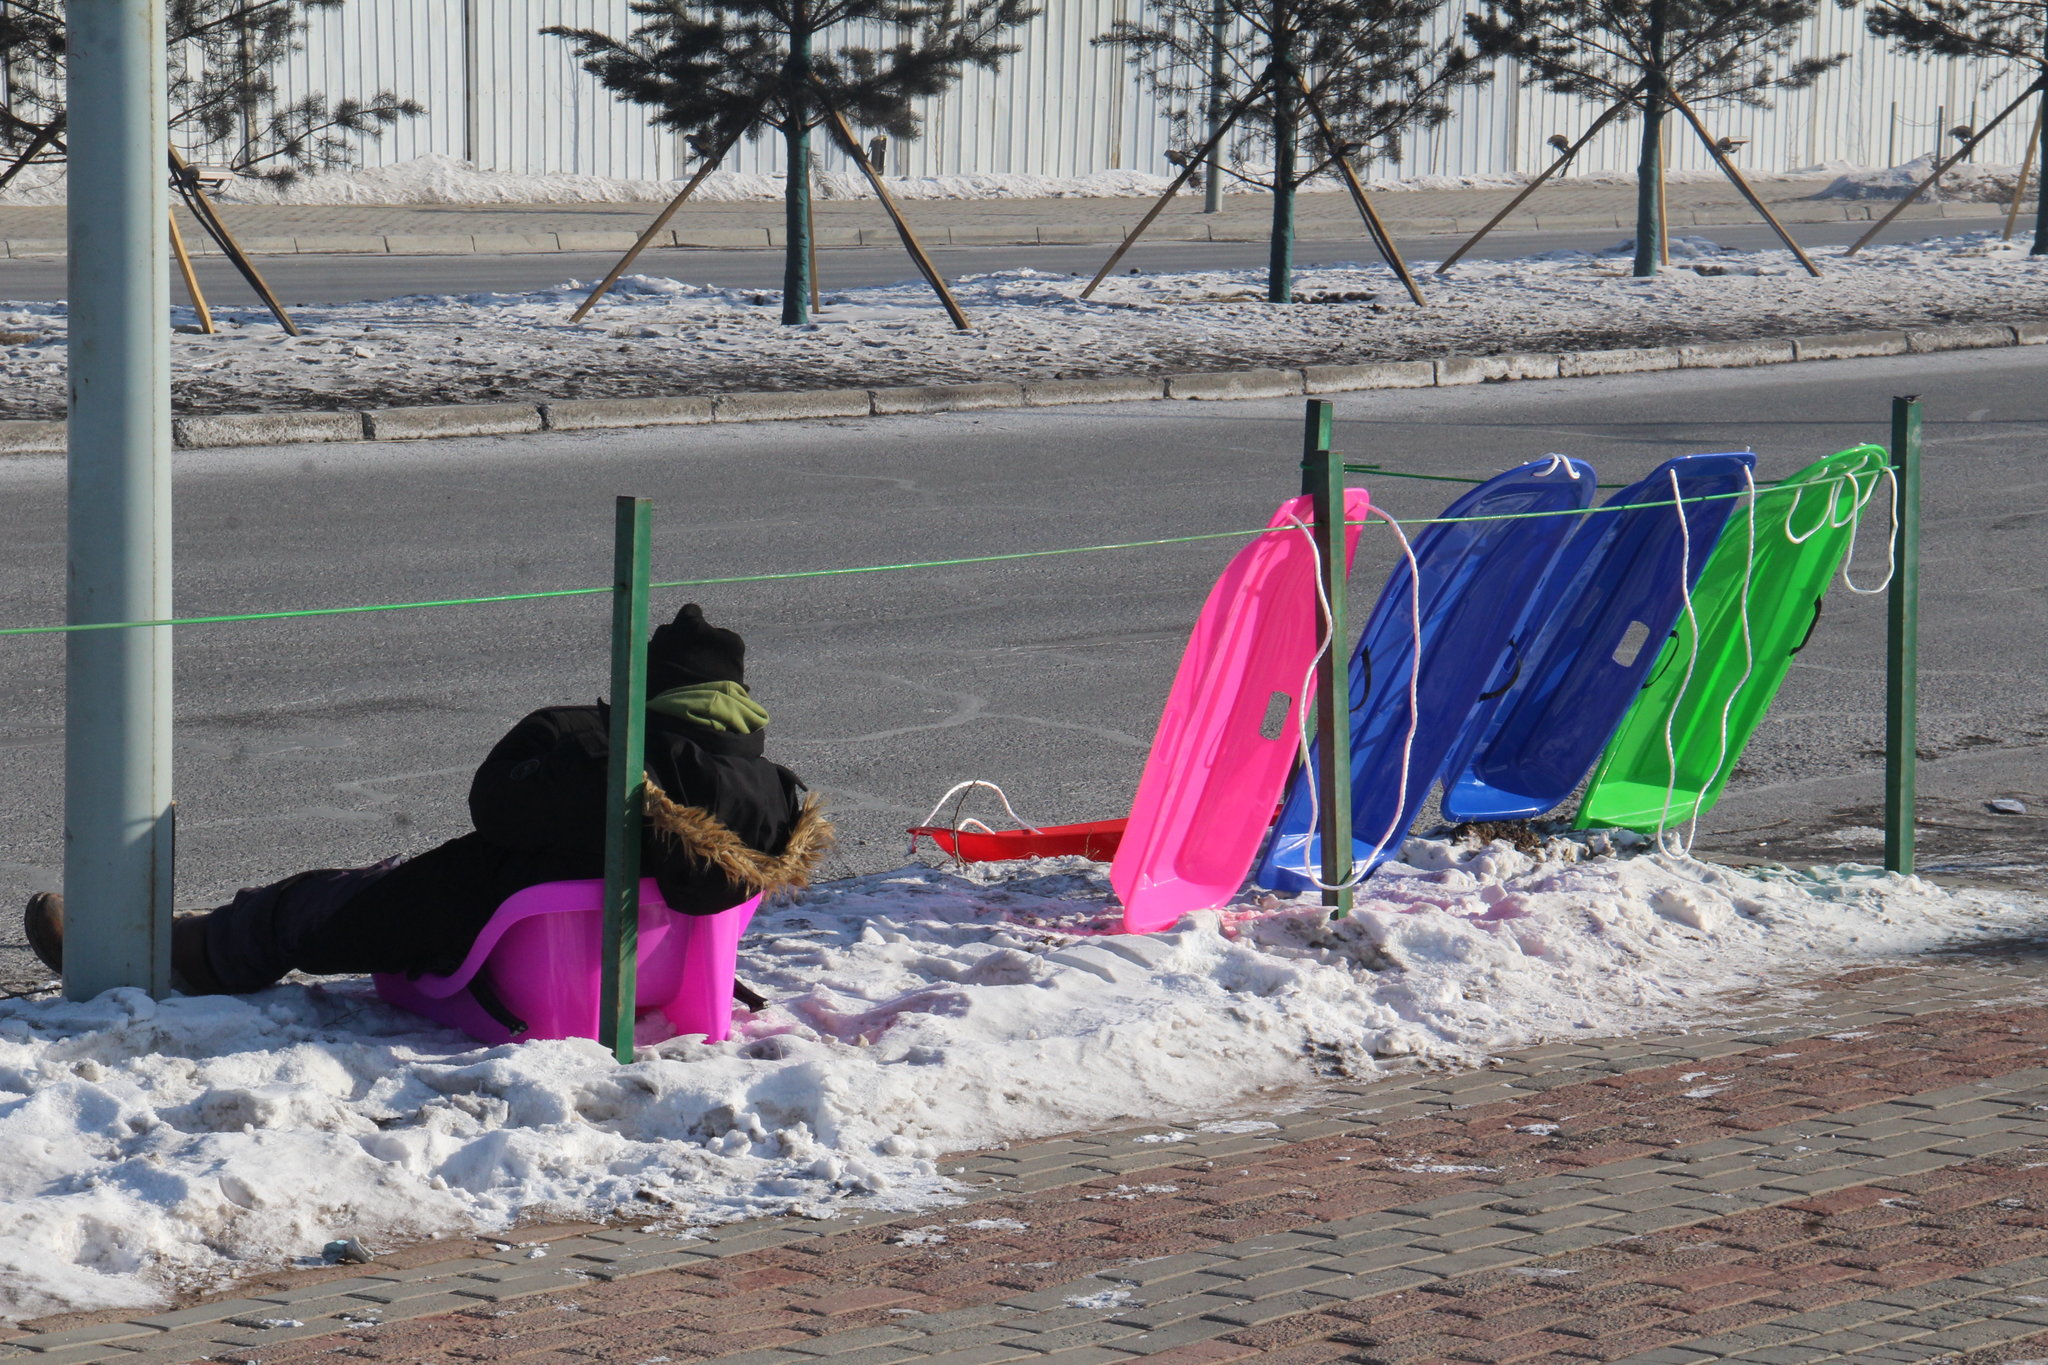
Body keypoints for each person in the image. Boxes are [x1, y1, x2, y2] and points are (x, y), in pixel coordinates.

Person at [22, 603, 832, 996]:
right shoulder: (774, 797)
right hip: (651, 978)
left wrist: (590, 728)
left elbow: (496, 806)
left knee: (311, 907)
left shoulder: (608, 760)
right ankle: (195, 929)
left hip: (516, 950)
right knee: (361, 885)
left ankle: (152, 960)